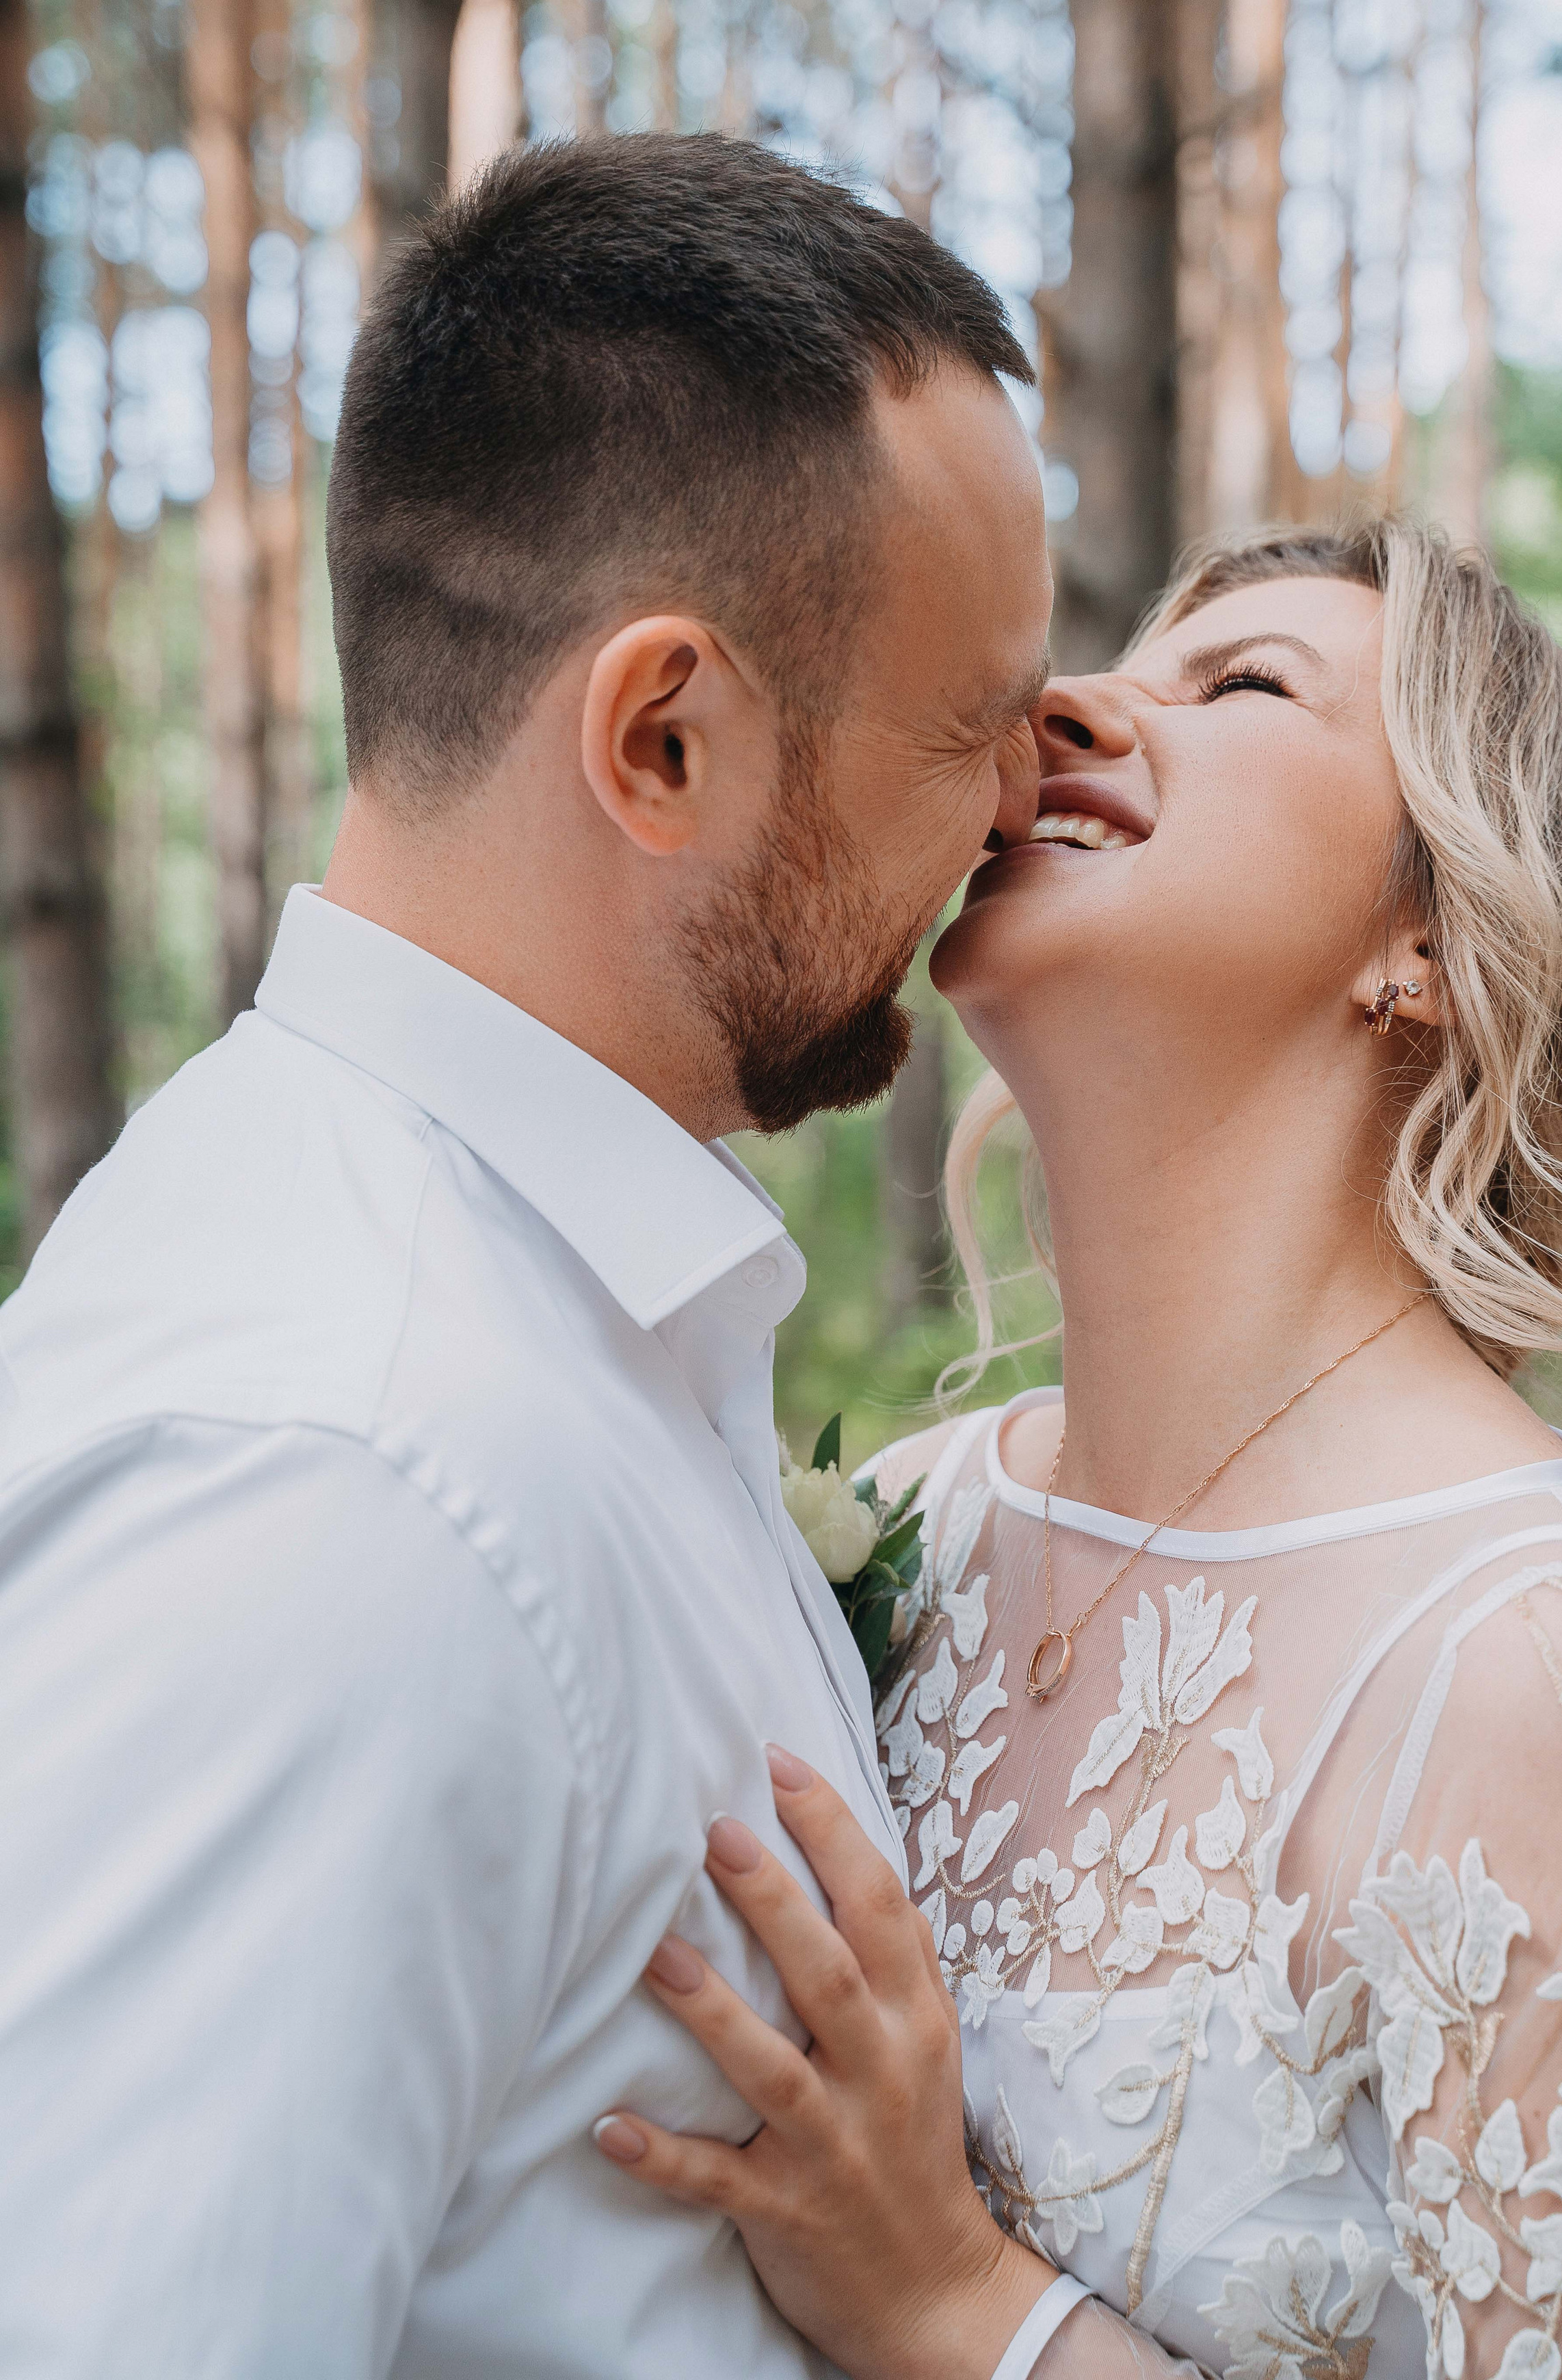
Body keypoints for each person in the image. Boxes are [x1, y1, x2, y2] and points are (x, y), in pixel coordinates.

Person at [0, 135, 1059, 2375]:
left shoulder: (532, 1330)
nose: (1017, 812)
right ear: (662, 740)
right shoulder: (337, 1482)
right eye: (966, 729)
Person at [598, 520, 1562, 2380]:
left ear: (1430, 940)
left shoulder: (1554, 1679)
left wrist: (956, 2303)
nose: (1054, 712)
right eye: (1116, 667)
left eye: (1243, 687)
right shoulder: (908, 1519)